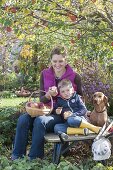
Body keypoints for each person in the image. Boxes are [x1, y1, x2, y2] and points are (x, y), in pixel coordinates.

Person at [11, 46, 84, 160]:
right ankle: (17, 156)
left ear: (66, 61)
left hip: (61, 115)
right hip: (44, 110)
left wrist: (71, 110)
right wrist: (48, 95)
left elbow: (80, 98)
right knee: (23, 119)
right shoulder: (44, 74)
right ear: (51, 61)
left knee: (41, 121)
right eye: (54, 61)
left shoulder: (75, 76)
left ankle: (35, 158)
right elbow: (41, 99)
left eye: (61, 61)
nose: (57, 64)